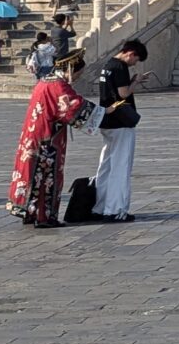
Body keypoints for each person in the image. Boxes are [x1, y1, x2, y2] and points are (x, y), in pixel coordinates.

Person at [9, 49, 88, 227]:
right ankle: (43, 216)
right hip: (48, 138)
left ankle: (29, 212)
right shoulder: (59, 85)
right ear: (70, 69)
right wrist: (102, 113)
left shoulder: (44, 81)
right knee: (45, 175)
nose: (77, 77)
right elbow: (73, 107)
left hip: (33, 134)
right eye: (78, 73)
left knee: (31, 171)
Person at [92, 38, 147, 221]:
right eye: (136, 60)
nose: (134, 64)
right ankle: (116, 209)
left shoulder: (108, 64)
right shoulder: (120, 66)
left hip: (106, 120)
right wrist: (136, 82)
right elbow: (123, 94)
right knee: (121, 165)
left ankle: (99, 206)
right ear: (130, 53)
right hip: (121, 120)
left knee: (106, 165)